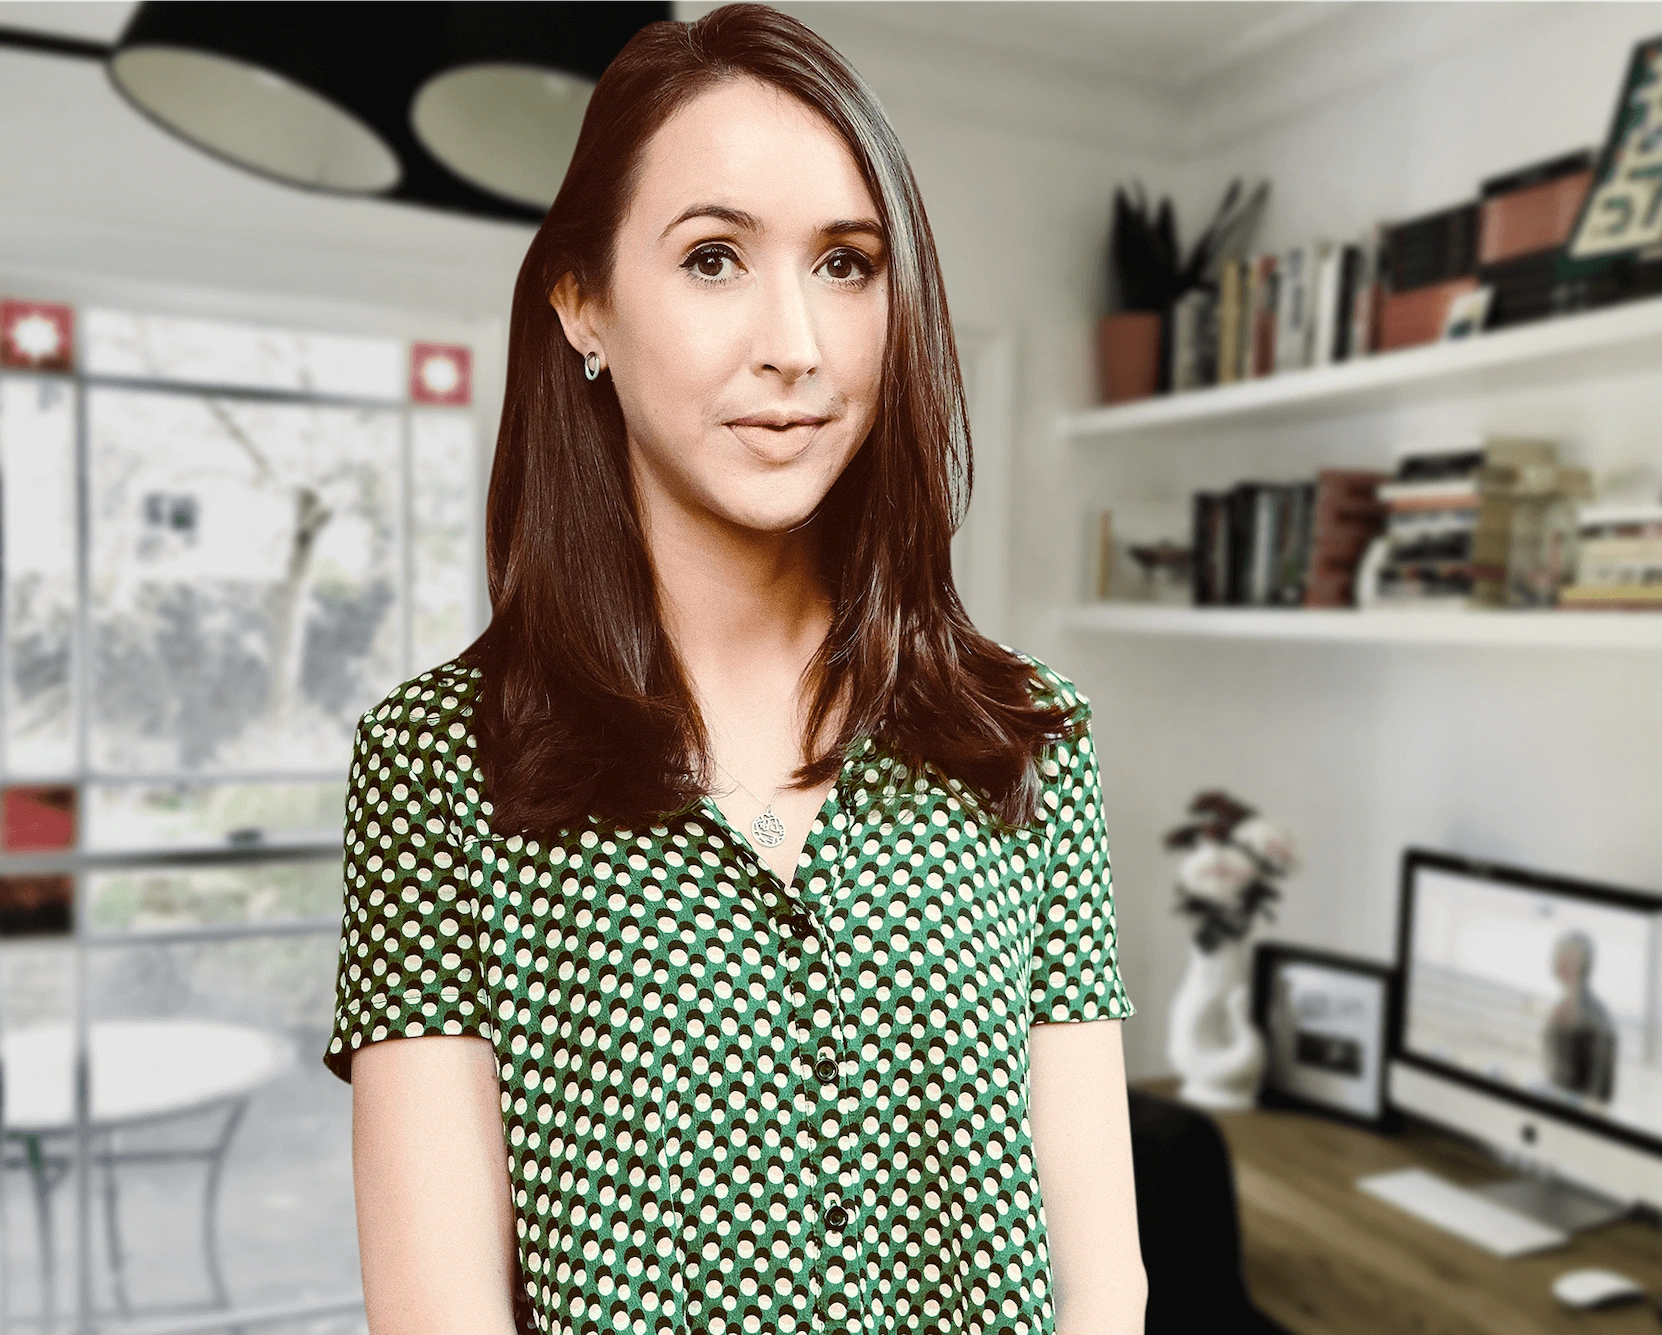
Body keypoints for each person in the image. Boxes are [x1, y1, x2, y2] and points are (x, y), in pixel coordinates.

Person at [320, 5, 1147, 1334]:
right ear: (583, 303)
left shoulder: (1030, 737)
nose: (797, 345)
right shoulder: (442, 763)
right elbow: (438, 1313)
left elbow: (1102, 1277)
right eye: (712, 258)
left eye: (845, 263)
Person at [1542, 928, 1617, 1106]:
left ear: (1584, 965)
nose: (1562, 964)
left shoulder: (1597, 1017)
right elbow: (1553, 1075)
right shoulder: (1559, 1009)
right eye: (1560, 957)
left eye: (1570, 959)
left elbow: (1600, 1091)